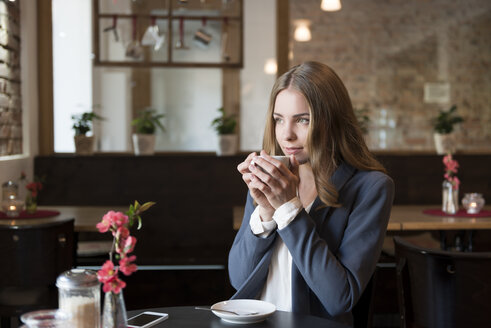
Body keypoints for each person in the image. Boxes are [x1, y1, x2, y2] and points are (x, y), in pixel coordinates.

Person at [228, 61, 394, 326]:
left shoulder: (371, 187)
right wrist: (266, 212)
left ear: (332, 120)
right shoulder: (272, 178)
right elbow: (239, 278)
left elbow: (340, 297)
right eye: (279, 120)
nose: (287, 135)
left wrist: (289, 210)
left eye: (303, 120)